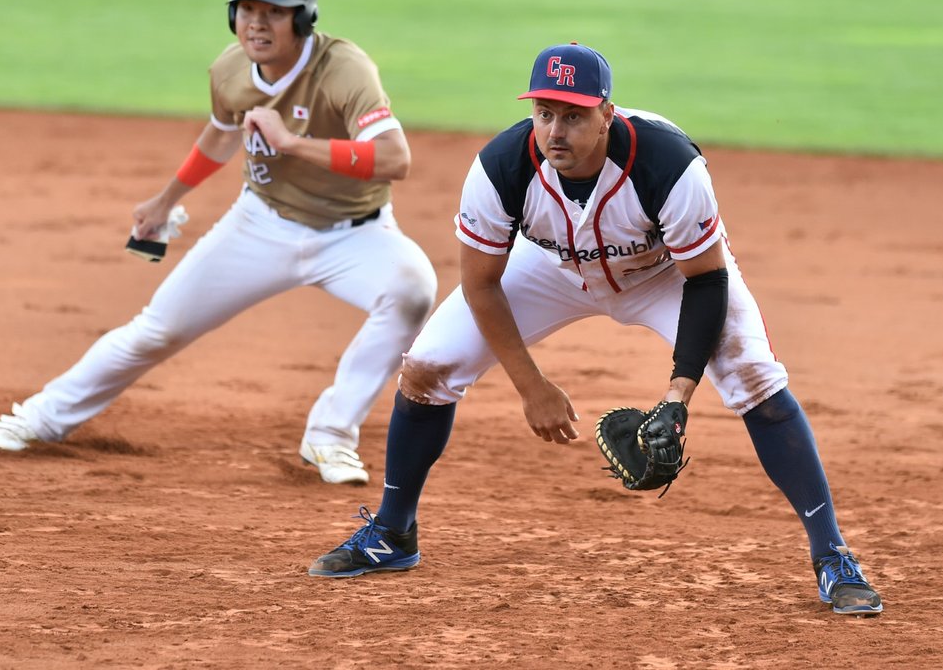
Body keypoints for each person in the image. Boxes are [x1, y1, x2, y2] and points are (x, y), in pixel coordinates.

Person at [307, 42, 883, 615]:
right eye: (545, 113)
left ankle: (832, 555)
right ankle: (393, 532)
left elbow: (706, 282)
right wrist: (532, 386)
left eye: (574, 115)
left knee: (755, 378)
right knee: (428, 366)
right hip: (553, 266)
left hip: (665, 274)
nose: (556, 130)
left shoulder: (669, 166)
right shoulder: (501, 167)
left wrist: (678, 397)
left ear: (608, 113)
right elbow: (482, 284)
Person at [0, 0, 438, 484]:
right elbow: (222, 134)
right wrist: (165, 198)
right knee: (156, 331)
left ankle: (331, 437)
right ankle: (39, 418)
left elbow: (394, 158)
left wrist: (293, 144)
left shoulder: (344, 70)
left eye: (273, 11)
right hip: (260, 224)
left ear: (303, 18)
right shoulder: (228, 71)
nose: (256, 23)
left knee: (412, 291)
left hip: (355, 236)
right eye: (246, 10)